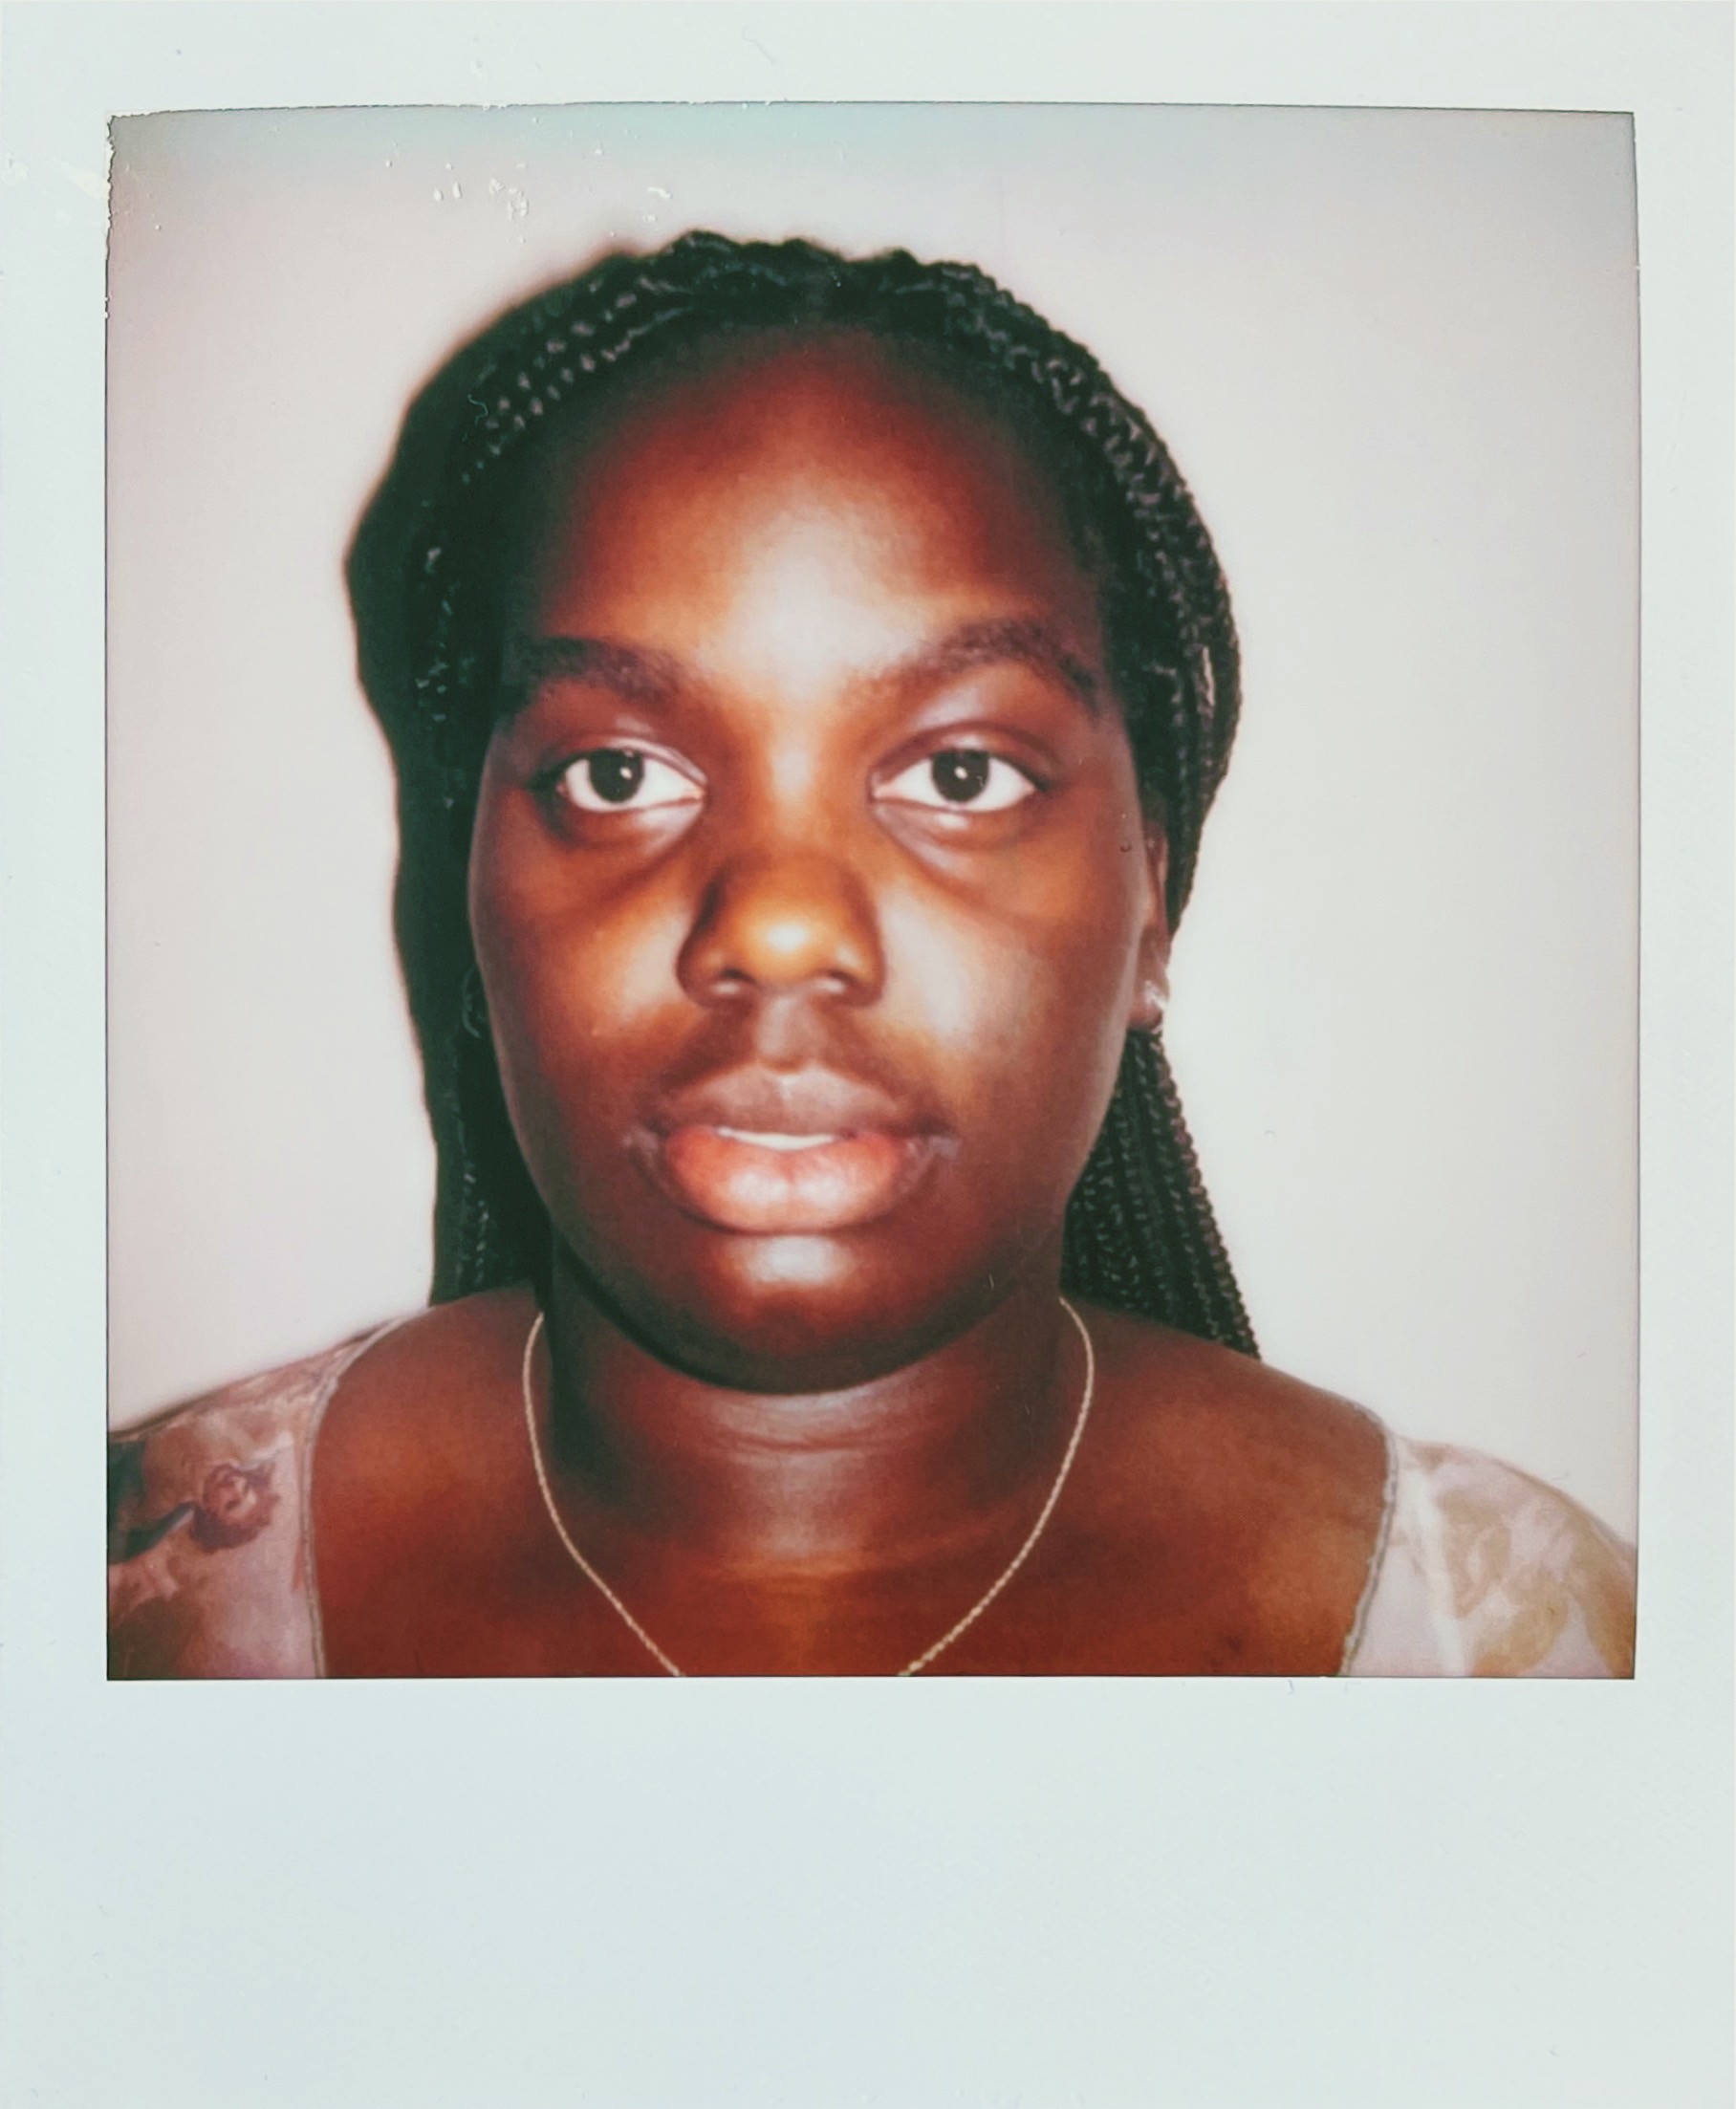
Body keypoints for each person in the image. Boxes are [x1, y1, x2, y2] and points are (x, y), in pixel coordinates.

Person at [107, 231, 1636, 1680]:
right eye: (618, 773)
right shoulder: (127, 1606)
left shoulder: (1509, 1650)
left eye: (961, 773)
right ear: (470, 885)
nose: (778, 928)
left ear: (1149, 903)